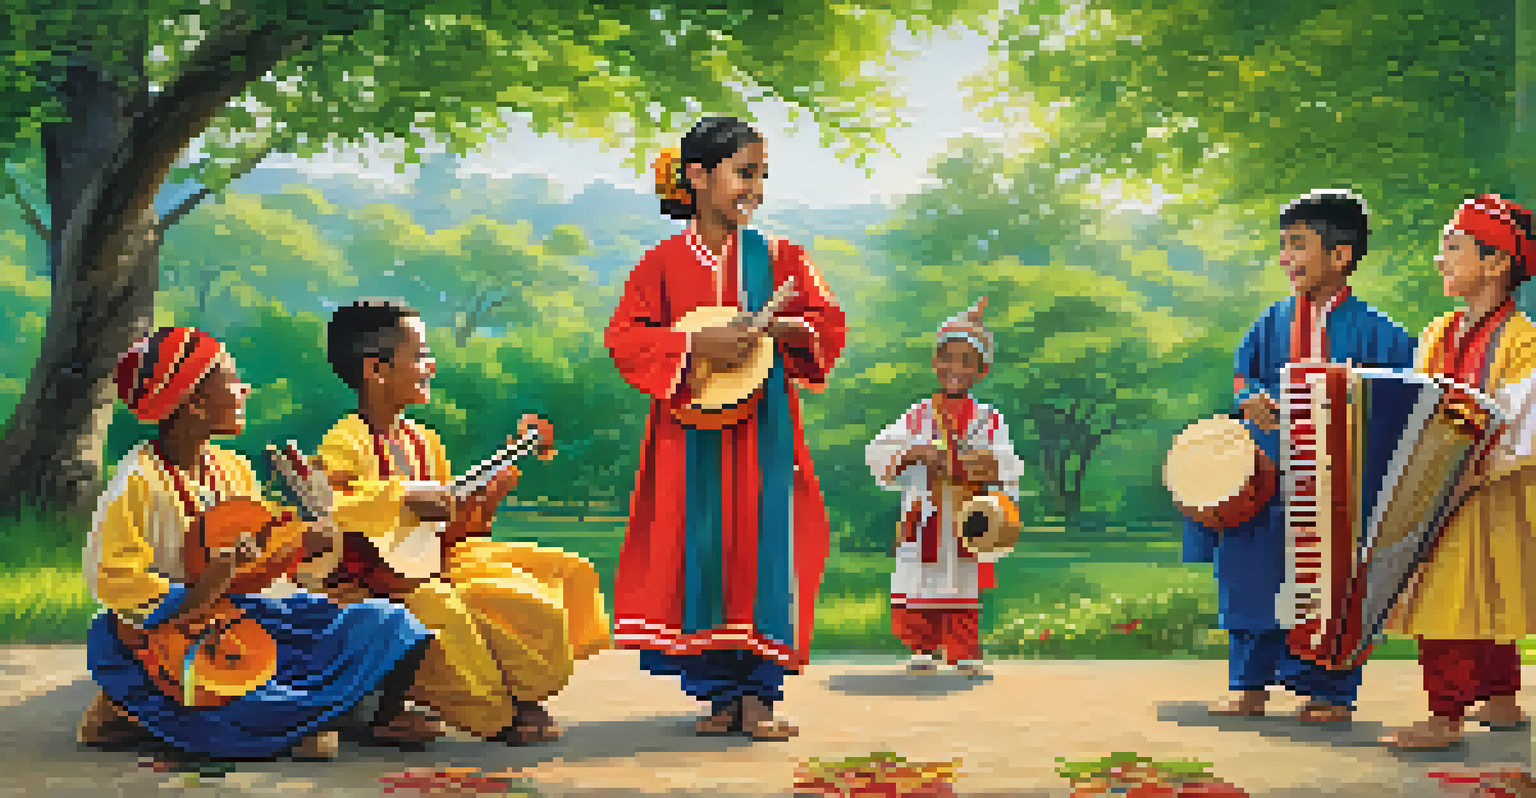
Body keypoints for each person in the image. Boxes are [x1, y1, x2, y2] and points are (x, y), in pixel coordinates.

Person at [80, 326, 437, 761]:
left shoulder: (231, 468)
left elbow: (264, 553)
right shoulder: (137, 482)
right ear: (193, 403)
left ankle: (373, 715)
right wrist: (204, 589)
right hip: (170, 633)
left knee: (386, 621)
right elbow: (115, 581)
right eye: (232, 381)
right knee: (242, 693)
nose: (244, 389)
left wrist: (304, 542)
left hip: (245, 615)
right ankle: (134, 709)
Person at [604, 116, 846, 740]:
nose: (756, 188)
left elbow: (827, 324)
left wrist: (795, 333)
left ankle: (760, 697)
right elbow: (626, 338)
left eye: (762, 175)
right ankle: (717, 695)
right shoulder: (661, 263)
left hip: (763, 434)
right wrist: (694, 341)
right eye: (744, 172)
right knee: (701, 552)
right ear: (697, 176)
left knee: (766, 549)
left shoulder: (783, 258)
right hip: (689, 434)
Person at [316, 299, 611, 746]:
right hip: (369, 580)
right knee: (445, 608)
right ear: (376, 370)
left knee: (557, 571)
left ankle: (522, 689)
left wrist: (481, 505)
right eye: (419, 356)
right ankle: (495, 713)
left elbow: (446, 532)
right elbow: (333, 506)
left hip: (433, 561)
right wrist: (406, 495)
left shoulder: (425, 442)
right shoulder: (345, 440)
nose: (430, 366)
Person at [1184, 190, 1416, 723]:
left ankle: (1329, 691)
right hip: (1269, 480)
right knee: (1249, 572)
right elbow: (1244, 375)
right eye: (1282, 246)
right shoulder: (1270, 322)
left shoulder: (1381, 334)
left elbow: (1403, 401)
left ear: (1341, 255)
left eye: (1297, 245)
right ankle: (1249, 682)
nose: (1285, 258)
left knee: (1335, 583)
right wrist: (1249, 400)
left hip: (1338, 485)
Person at [1380, 195, 1536, 749]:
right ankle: (1497, 696)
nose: (1440, 260)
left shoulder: (1523, 342)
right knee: (1463, 591)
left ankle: (1446, 717)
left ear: (1495, 264)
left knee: (1461, 594)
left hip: (1493, 485)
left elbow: (1523, 424)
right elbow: (1420, 404)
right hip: (1442, 481)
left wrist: (1472, 470)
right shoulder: (1437, 333)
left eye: (1453, 248)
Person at [865, 297, 1023, 677]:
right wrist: (915, 451)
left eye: (966, 361)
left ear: (980, 371)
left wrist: (983, 464)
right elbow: (880, 450)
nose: (955, 368)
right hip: (925, 511)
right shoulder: (918, 414)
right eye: (947, 359)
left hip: (967, 512)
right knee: (920, 577)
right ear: (935, 364)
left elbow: (1007, 462)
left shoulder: (988, 418)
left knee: (963, 579)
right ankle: (924, 646)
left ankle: (963, 647)